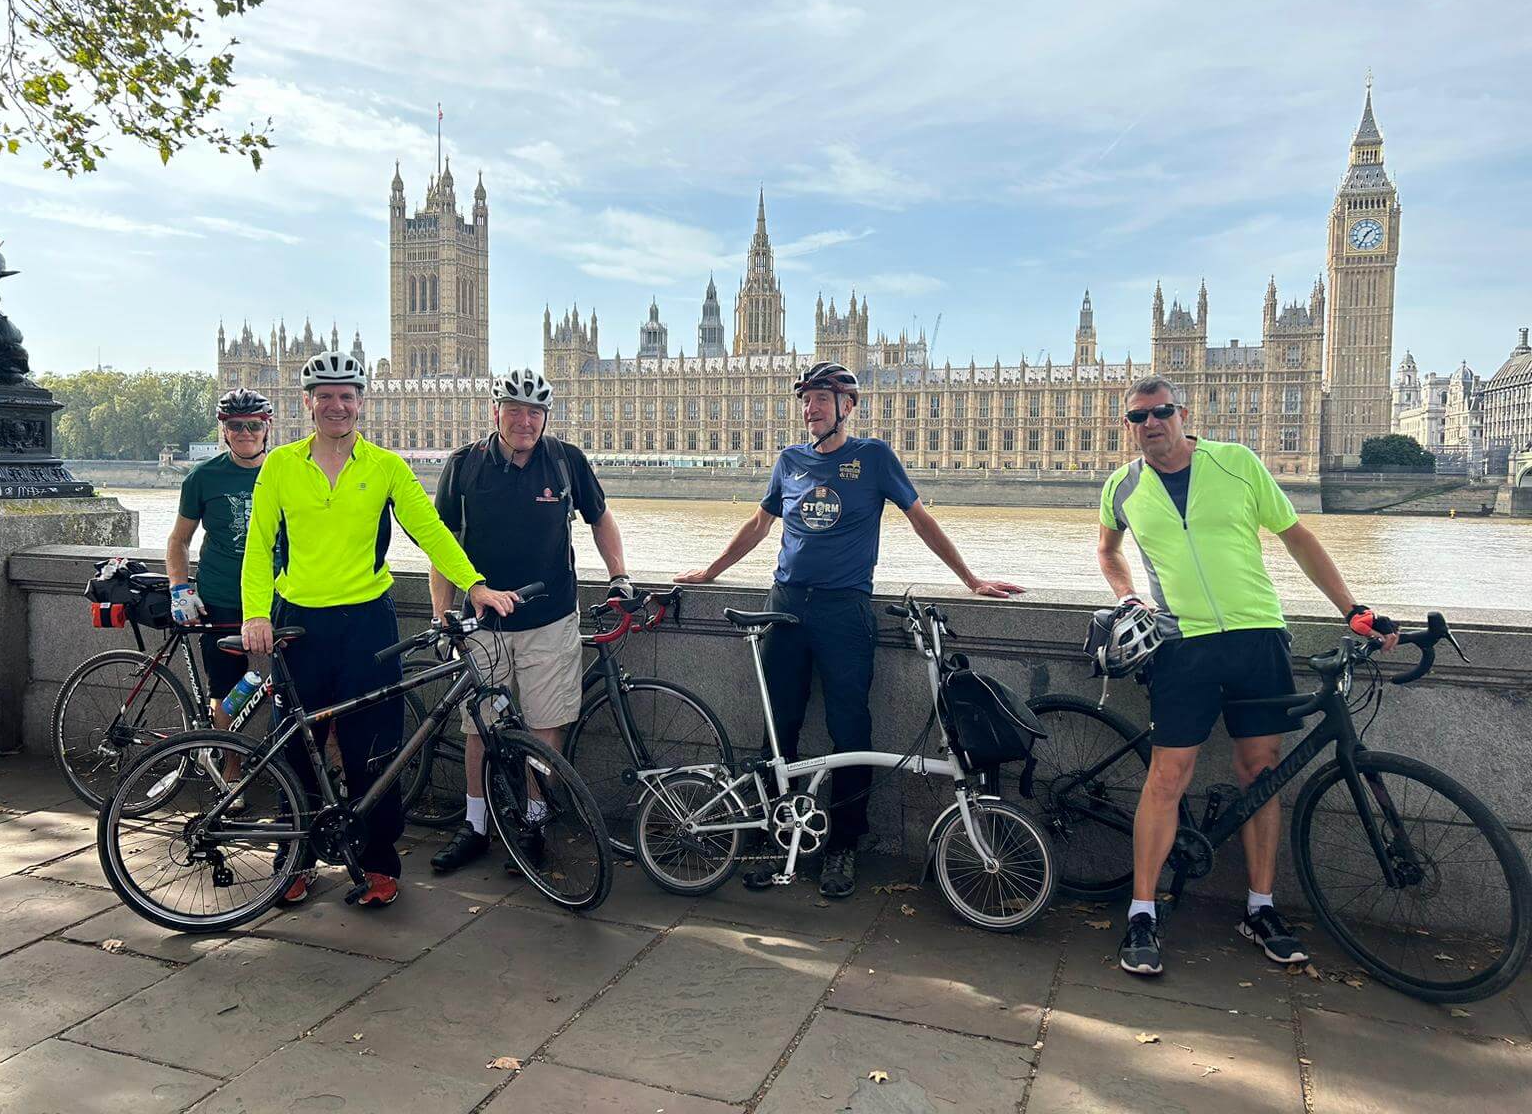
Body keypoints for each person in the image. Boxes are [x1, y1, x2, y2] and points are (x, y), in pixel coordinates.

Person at [674, 361, 1026, 898]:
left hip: (845, 609)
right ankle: (777, 835)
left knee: (850, 731)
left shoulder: (875, 458)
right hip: (785, 606)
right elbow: (759, 525)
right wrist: (710, 572)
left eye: (820, 398)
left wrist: (971, 579)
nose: (810, 408)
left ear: (848, 406)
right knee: (779, 728)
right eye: (806, 400)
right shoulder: (789, 461)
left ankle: (844, 845)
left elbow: (921, 519)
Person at [1098, 375, 1398, 976]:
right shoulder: (1122, 486)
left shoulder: (1236, 463)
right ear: (1128, 426)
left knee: (1261, 773)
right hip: (1183, 646)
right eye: (1138, 417)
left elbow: (1298, 537)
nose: (1151, 424)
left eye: (1160, 412)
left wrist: (1353, 609)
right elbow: (1108, 551)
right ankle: (1142, 913)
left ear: (1182, 413)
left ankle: (1259, 908)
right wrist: (1129, 596)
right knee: (1167, 778)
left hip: (1259, 638)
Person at [241, 349, 517, 908]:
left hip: (369, 621)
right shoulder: (280, 465)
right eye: (326, 397)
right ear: (308, 404)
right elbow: (258, 544)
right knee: (297, 746)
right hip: (299, 622)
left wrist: (476, 585)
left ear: (361, 403)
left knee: (377, 749)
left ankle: (379, 864)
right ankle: (292, 860)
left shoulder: (386, 466)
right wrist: (256, 613)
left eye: (347, 397)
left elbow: (431, 531)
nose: (336, 406)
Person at [427, 367, 632, 875]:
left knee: (545, 726)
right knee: (481, 726)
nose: (524, 420)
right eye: (514, 410)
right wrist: (441, 614)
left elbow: (600, 518)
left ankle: (534, 820)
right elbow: (442, 544)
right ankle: (475, 823)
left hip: (551, 618)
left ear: (545, 417)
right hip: (482, 623)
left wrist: (620, 576)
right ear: (495, 412)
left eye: (534, 412)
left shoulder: (565, 462)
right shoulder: (463, 465)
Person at [166, 389, 273, 752]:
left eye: (254, 425)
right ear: (223, 429)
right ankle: (229, 774)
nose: (246, 432)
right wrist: (179, 589)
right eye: (236, 425)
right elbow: (179, 539)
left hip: (276, 598)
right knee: (225, 691)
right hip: (222, 598)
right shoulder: (202, 477)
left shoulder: (286, 472)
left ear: (266, 428)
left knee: (301, 686)